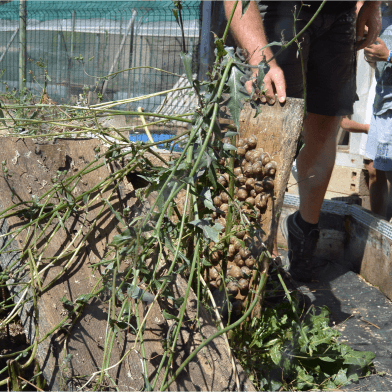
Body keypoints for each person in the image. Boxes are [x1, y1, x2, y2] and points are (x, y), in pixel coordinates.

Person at [223, 0, 382, 282]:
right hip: (281, 10)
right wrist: (260, 55)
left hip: (339, 12)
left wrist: (372, 4)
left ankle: (304, 230)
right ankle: (261, 253)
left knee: (326, 120)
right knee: (272, 114)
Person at [364, 1, 392, 221]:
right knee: (374, 171)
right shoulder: (382, 14)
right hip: (381, 104)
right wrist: (373, 57)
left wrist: (388, 56)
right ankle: (378, 231)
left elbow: (387, 57)